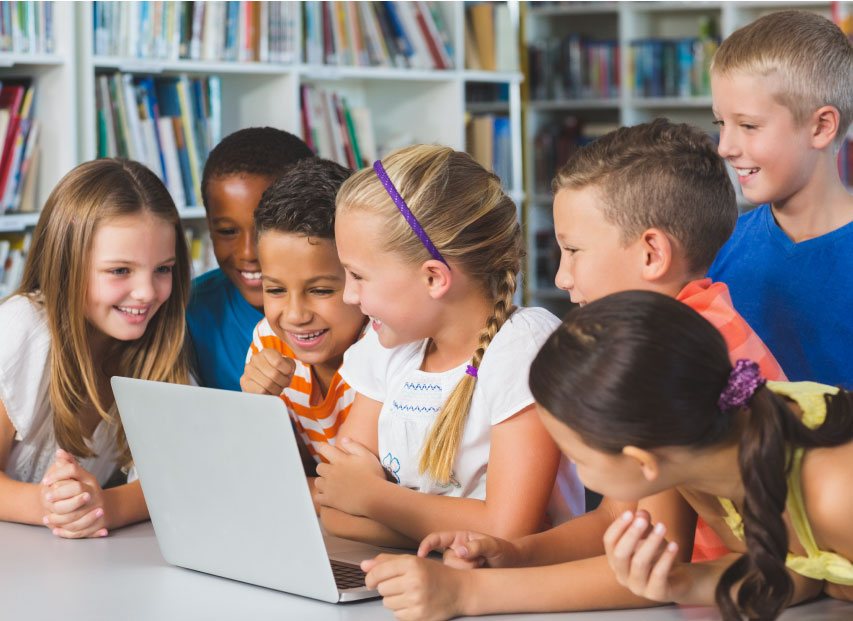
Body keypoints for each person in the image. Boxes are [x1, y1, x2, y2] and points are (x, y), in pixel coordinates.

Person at [359, 120, 787, 618]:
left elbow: (647, 573)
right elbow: (617, 519)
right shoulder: (702, 317)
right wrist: (517, 554)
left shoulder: (668, 358)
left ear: (652, 253)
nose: (561, 278)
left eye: (574, 250)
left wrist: (465, 595)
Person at [313, 144, 583, 549]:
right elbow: (334, 507)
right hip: (416, 577)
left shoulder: (523, 347)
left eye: (358, 276)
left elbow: (508, 529)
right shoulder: (387, 345)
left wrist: (375, 498)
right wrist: (446, 533)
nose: (349, 296)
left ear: (434, 278)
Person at [534, 291, 853, 620]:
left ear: (643, 462)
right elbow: (789, 573)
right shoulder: (700, 461)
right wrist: (679, 581)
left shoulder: (835, 494)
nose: (575, 468)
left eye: (577, 457)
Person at [0, 159, 191, 539]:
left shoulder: (160, 343)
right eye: (120, 271)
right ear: (67, 266)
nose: (148, 293)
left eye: (163, 269)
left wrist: (102, 507)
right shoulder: (24, 327)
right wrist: (54, 506)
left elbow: (176, 485)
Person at [707, 10, 853, 389]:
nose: (725, 147)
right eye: (720, 123)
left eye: (748, 126)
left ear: (821, 126)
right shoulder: (716, 248)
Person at [240, 158, 366, 477]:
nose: (295, 315)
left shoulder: (388, 349)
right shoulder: (269, 340)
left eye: (321, 290)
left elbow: (360, 492)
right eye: (276, 290)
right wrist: (258, 410)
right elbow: (292, 471)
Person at [186, 127, 314, 390]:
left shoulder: (358, 304)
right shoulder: (193, 312)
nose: (247, 252)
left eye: (264, 228)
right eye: (227, 231)